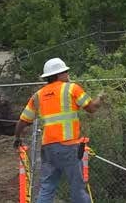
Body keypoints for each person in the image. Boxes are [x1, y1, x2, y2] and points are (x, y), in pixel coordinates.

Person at [14, 58, 103, 203]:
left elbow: (23, 121)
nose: (68, 74)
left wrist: (17, 138)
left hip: (48, 148)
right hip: (69, 147)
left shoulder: (38, 96)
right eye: (66, 71)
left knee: (47, 187)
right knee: (77, 188)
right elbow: (91, 108)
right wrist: (100, 99)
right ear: (59, 74)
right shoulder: (71, 88)